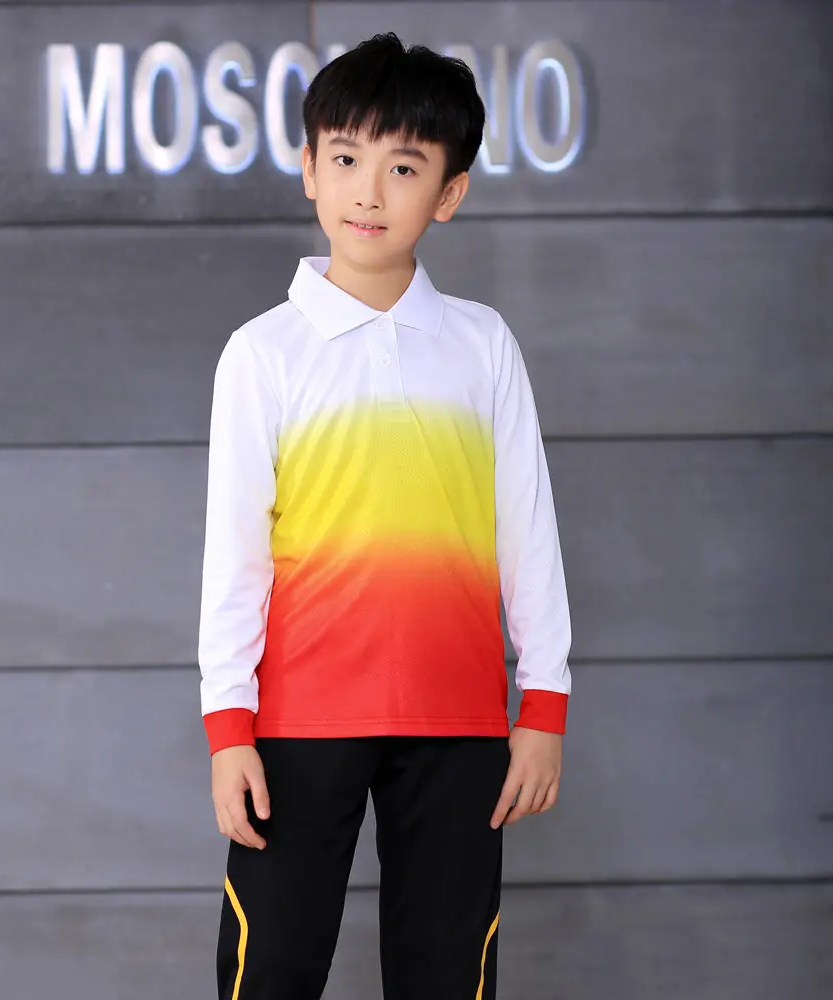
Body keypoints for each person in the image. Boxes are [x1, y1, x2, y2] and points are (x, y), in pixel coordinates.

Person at [197, 31, 572, 1000]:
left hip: (458, 719)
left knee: (448, 972)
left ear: (448, 193)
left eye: (403, 167)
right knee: (272, 967)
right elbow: (235, 556)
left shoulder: (482, 346)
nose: (368, 192)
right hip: (298, 719)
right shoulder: (263, 354)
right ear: (308, 168)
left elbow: (527, 532)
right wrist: (228, 726)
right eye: (345, 158)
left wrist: (543, 703)